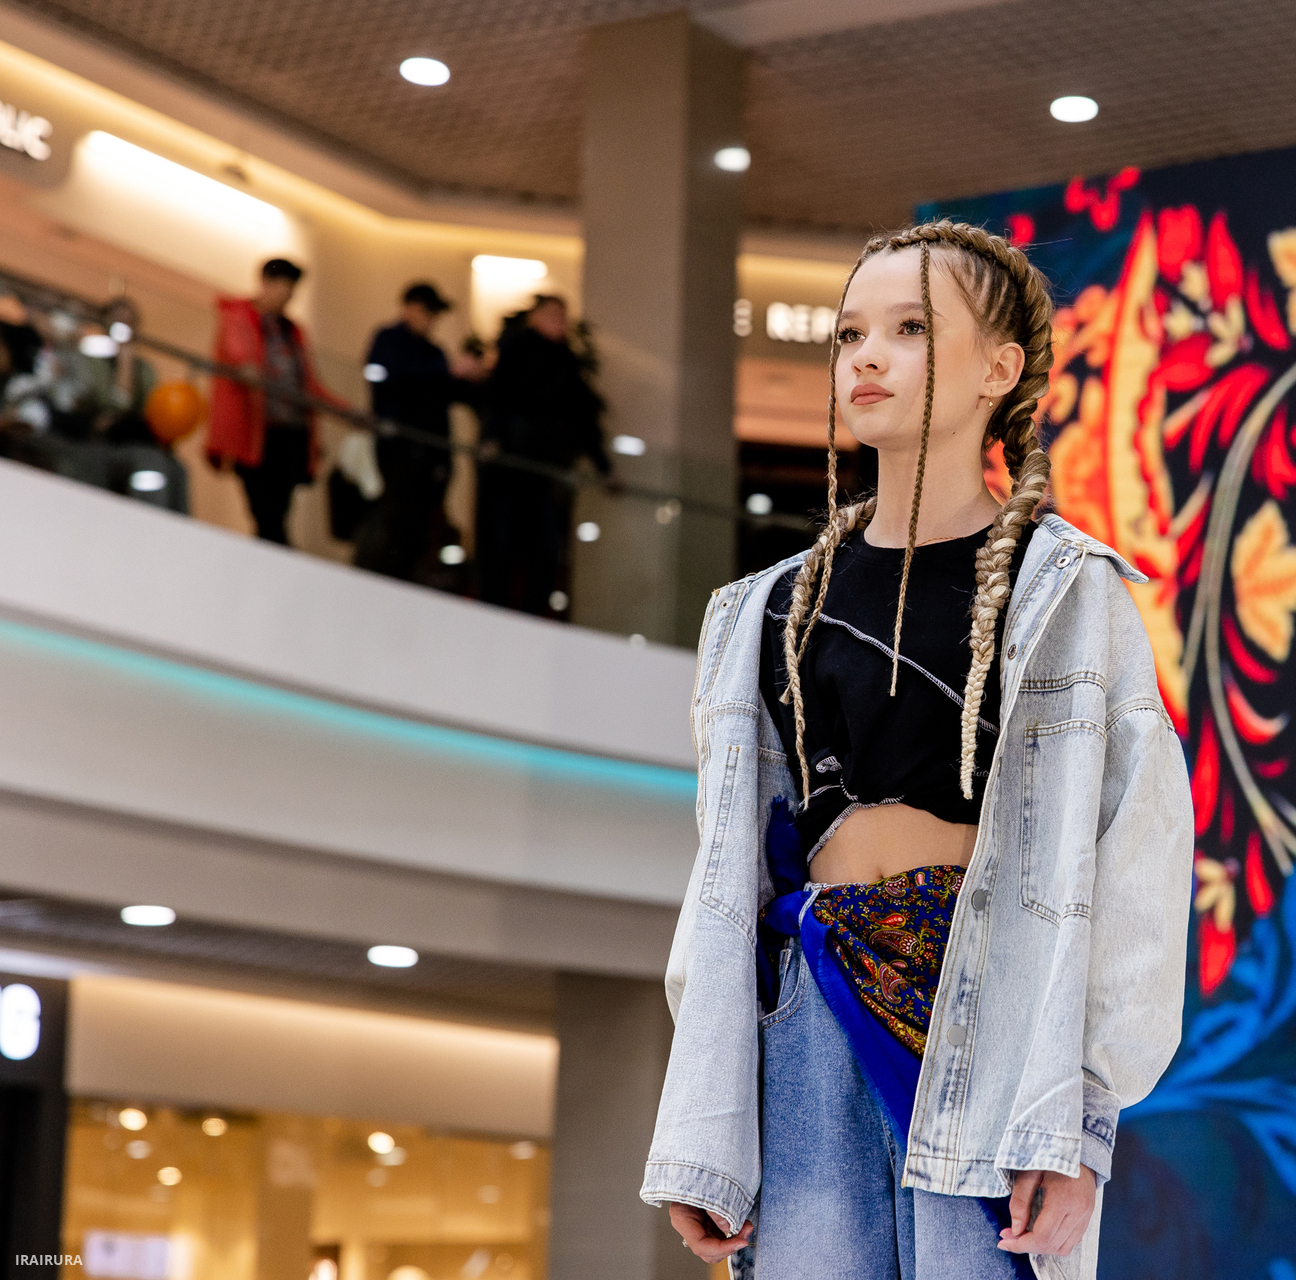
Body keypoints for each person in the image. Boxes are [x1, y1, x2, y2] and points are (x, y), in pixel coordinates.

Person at [641, 221, 1193, 1279]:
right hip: (810, 1010)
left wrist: (1082, 1116)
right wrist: (705, 1129)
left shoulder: (1067, 593)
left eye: (910, 329)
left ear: (999, 369)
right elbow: (722, 882)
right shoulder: (762, 609)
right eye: (850, 334)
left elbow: (1138, 859)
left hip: (994, 1025)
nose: (868, 357)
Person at [475, 295, 609, 616]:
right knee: (502, 544)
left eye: (562, 316)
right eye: (552, 315)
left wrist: (604, 466)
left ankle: (533, 613)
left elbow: (583, 416)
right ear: (535, 317)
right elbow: (498, 396)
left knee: (545, 548)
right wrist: (492, 438)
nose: (559, 323)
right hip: (510, 468)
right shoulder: (516, 349)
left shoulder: (567, 360)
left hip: (544, 472)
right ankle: (494, 609)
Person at [206, 258, 350, 545]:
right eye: (282, 285)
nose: (286, 294)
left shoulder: (292, 332)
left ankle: (274, 559)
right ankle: (280, 559)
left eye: (290, 287)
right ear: (266, 283)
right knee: (266, 512)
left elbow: (308, 385)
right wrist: (248, 371)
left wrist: (345, 410)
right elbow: (240, 358)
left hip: (290, 436)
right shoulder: (240, 317)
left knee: (278, 512)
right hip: (255, 434)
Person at [354, 281, 481, 580]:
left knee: (422, 531)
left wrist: (471, 376)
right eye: (428, 311)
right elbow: (391, 379)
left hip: (432, 458)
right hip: (400, 450)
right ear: (409, 308)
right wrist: (447, 372)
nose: (431, 320)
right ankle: (385, 584)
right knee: (398, 524)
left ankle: (407, 583)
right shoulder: (389, 341)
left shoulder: (434, 352)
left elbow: (448, 392)